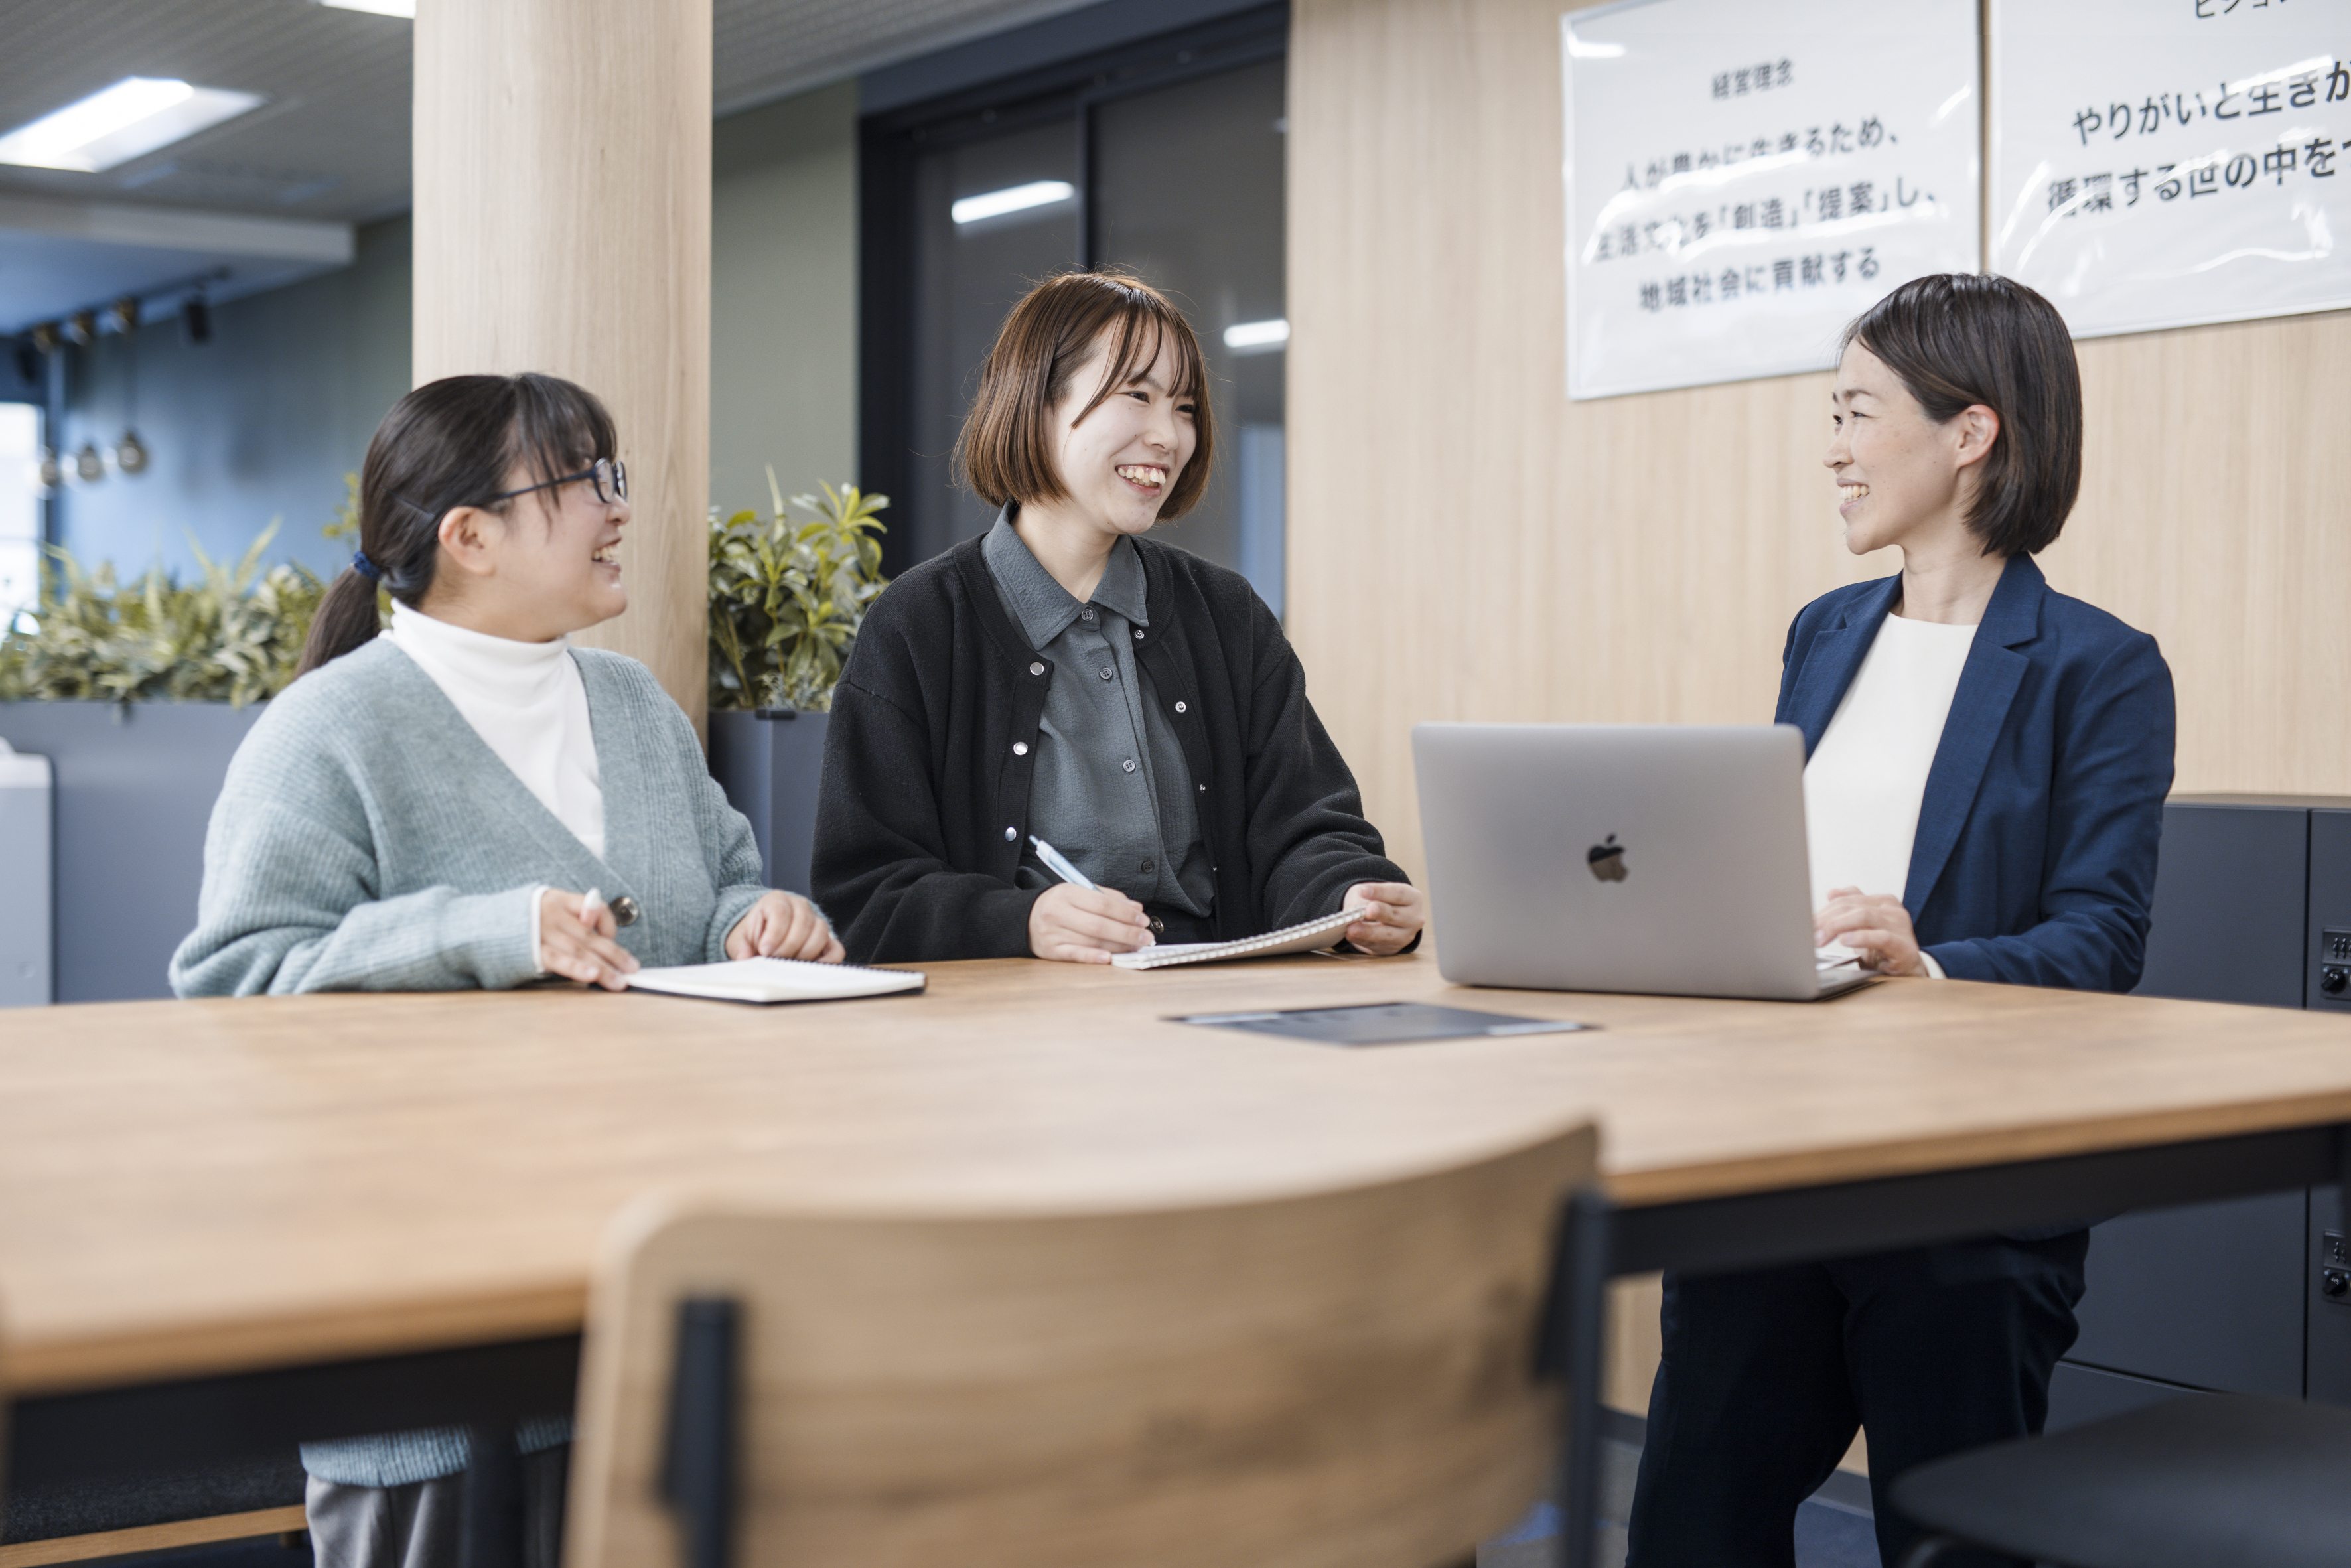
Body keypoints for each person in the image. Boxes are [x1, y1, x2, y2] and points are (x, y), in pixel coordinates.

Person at [171, 372, 842, 1568]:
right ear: (467, 537)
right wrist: (484, 931)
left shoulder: (635, 707)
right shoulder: (328, 731)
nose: (616, 506)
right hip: (433, 1373)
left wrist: (765, 917)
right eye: (583, 480)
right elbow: (232, 980)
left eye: (613, 472)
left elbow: (724, 883)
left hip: (657, 1325)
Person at [1624, 275, 2175, 1568]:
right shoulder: (1823, 634)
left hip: (1962, 1203)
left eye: (1857, 410)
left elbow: (2099, 941)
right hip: (1769, 1170)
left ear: (1970, 431)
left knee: (1950, 1546)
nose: (1833, 444)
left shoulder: (2099, 668)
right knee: (1685, 1528)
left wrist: (1922, 959)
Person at [813, 270, 1423, 964]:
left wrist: (1347, 897)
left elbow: (1303, 826)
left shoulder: (1226, 615)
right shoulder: (918, 625)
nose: (1169, 436)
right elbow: (864, 899)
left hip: (1222, 1010)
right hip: (1012, 1034)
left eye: (1186, 407)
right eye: (1138, 395)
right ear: (1036, 402)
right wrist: (1022, 922)